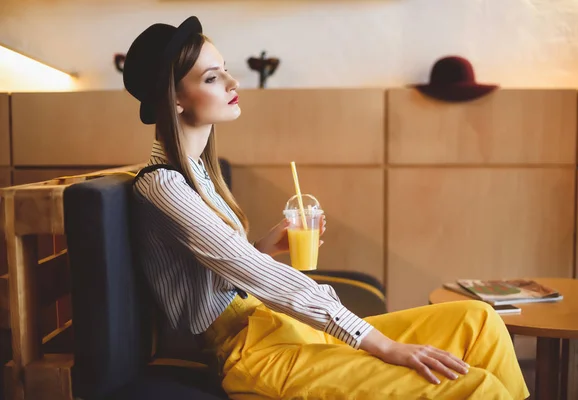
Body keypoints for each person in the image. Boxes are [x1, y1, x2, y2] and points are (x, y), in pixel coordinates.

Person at [123, 16, 530, 400]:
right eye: (212, 77)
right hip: (254, 354)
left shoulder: (197, 174)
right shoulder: (163, 184)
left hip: (282, 327)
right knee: (475, 388)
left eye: (225, 68)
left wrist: (263, 245)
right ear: (174, 99)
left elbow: (227, 269)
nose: (232, 81)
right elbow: (255, 275)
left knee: (479, 321)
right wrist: (382, 345)